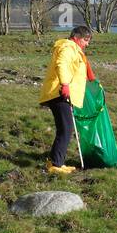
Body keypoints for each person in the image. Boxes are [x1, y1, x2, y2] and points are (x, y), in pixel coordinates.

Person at [38, 25, 92, 175]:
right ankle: (55, 164)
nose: (87, 44)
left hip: (63, 93)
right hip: (60, 93)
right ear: (77, 38)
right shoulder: (68, 48)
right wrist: (65, 85)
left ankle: (56, 162)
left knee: (65, 128)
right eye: (86, 40)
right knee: (66, 128)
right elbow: (61, 65)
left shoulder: (74, 49)